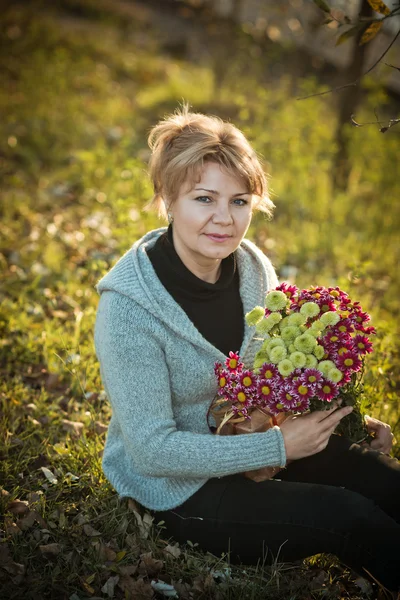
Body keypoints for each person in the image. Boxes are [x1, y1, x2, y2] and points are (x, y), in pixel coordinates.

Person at [94, 104, 400, 593]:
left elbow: (274, 377)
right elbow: (151, 451)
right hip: (181, 488)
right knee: (349, 516)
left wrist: (349, 424)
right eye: (204, 198)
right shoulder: (130, 309)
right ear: (169, 199)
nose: (224, 219)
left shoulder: (253, 270)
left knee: (379, 477)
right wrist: (277, 446)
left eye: (239, 201)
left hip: (255, 442)